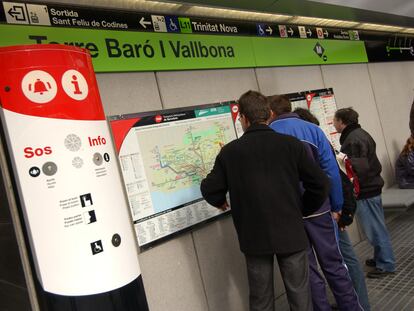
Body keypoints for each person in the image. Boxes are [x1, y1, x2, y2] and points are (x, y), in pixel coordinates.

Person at [201, 90, 330, 311]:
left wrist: (220, 200)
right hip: (291, 231)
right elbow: (320, 184)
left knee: (261, 300)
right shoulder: (291, 145)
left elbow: (209, 187)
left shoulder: (230, 152)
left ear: (243, 117)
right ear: (269, 114)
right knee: (300, 297)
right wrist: (302, 208)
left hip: (254, 237)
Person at [269, 95, 362, 311]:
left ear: (271, 112)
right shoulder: (313, 130)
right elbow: (331, 172)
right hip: (320, 210)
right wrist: (337, 205)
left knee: (307, 271)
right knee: (334, 266)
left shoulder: (269, 135)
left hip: (289, 214)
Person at [294, 107, 371, 311]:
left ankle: (359, 303)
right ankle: (356, 304)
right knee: (340, 261)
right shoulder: (318, 142)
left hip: (332, 213)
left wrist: (342, 211)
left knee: (342, 260)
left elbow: (338, 178)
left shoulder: (314, 145)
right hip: (331, 211)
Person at [333, 107, 396, 278]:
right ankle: (380, 258)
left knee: (375, 229)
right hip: (372, 187)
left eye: (335, 120)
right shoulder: (360, 134)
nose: (333, 123)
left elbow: (358, 169)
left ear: (342, 122)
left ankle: (386, 264)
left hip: (366, 191)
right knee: (377, 225)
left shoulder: (353, 140)